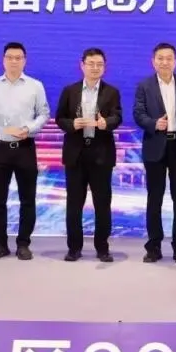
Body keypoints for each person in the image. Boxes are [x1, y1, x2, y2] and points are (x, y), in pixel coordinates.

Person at [0, 42, 49, 261]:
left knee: (28, 199)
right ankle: (0, 243)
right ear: (3, 60)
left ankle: (23, 243)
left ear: (25, 61)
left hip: (25, 148)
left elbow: (44, 114)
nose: (14, 61)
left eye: (18, 58)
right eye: (10, 57)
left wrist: (28, 129)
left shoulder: (35, 86)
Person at [133, 43, 176, 264]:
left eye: (169, 58)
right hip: (155, 147)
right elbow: (138, 114)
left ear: (175, 61)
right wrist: (154, 123)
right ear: (153, 61)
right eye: (160, 58)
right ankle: (154, 246)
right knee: (154, 198)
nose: (164, 62)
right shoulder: (144, 85)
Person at [54, 48, 122, 262]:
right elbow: (59, 118)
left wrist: (106, 123)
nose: (95, 68)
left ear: (104, 67)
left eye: (99, 64)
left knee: (102, 203)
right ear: (82, 65)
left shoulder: (111, 92)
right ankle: (74, 248)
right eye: (91, 63)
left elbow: (118, 117)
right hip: (76, 153)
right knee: (74, 203)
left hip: (101, 153)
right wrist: (72, 124)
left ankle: (102, 248)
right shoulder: (70, 90)